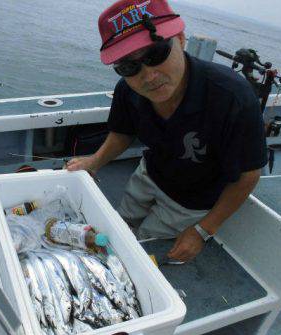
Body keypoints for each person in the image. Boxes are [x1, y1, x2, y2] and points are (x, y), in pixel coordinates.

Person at [66, 0, 267, 262]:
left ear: (180, 39)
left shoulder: (232, 98)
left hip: (191, 201)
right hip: (149, 174)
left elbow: (248, 175)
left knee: (142, 247)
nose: (149, 76)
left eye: (156, 53)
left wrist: (202, 230)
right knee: (120, 222)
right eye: (129, 66)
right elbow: (122, 133)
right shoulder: (127, 90)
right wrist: (94, 161)